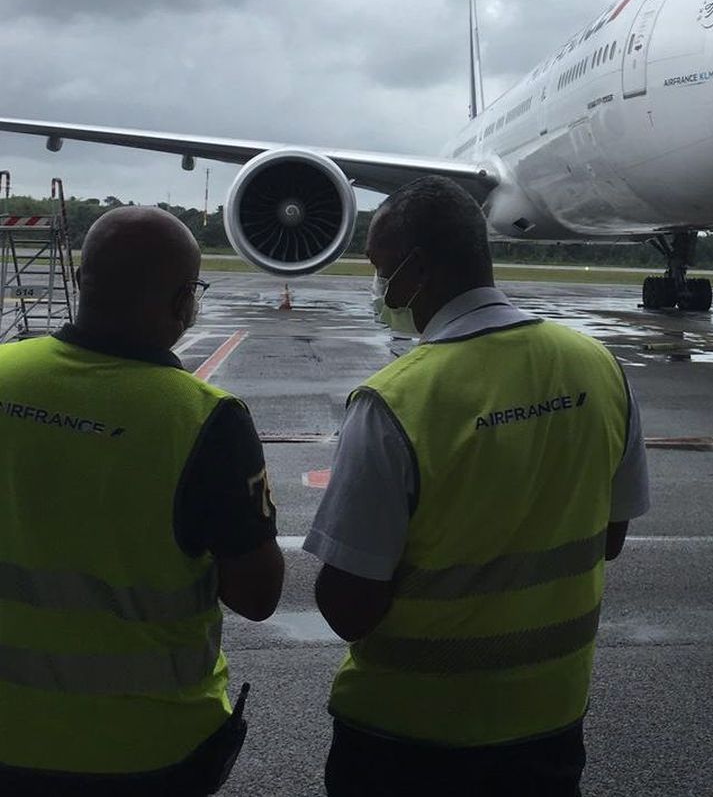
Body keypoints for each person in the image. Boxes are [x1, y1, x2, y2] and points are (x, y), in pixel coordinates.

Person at [305, 176, 650, 796]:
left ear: (417, 268)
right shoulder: (598, 367)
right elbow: (611, 535)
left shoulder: (395, 401)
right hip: (549, 723)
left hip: (406, 737)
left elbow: (346, 607)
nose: (380, 289)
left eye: (381, 270)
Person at [0, 206, 284, 796]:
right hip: (146, 750)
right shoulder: (206, 420)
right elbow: (258, 596)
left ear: (81, 280)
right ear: (185, 302)